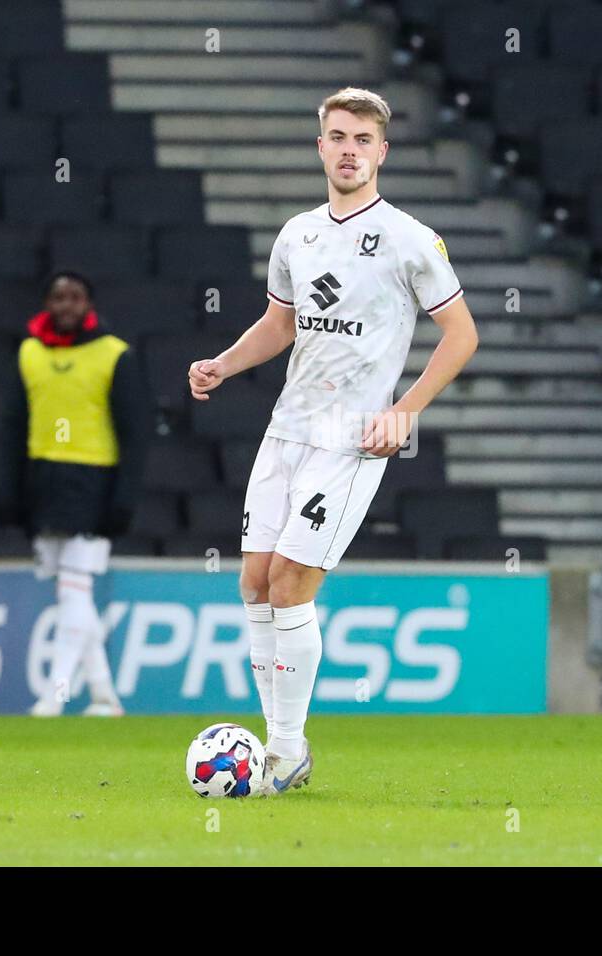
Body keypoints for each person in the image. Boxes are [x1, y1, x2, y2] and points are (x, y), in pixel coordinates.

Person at [187, 88, 479, 795]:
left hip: (352, 440)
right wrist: (225, 362)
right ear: (320, 147)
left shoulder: (412, 240)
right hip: (288, 427)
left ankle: (284, 751)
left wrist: (404, 411)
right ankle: (281, 746)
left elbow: (462, 334)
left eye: (363, 139)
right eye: (338, 137)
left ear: (382, 151)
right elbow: (281, 324)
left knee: (290, 582)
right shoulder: (298, 235)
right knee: (253, 582)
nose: (350, 149)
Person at [0, 271, 148, 717]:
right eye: (58, 297)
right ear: (47, 303)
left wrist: (124, 498)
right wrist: (10, 489)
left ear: (89, 304)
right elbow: (12, 426)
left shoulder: (114, 355)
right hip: (43, 482)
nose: (67, 305)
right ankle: (104, 694)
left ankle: (54, 695)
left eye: (76, 297)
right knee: (70, 592)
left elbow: (136, 432)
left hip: (93, 484)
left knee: (73, 591)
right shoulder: (28, 353)